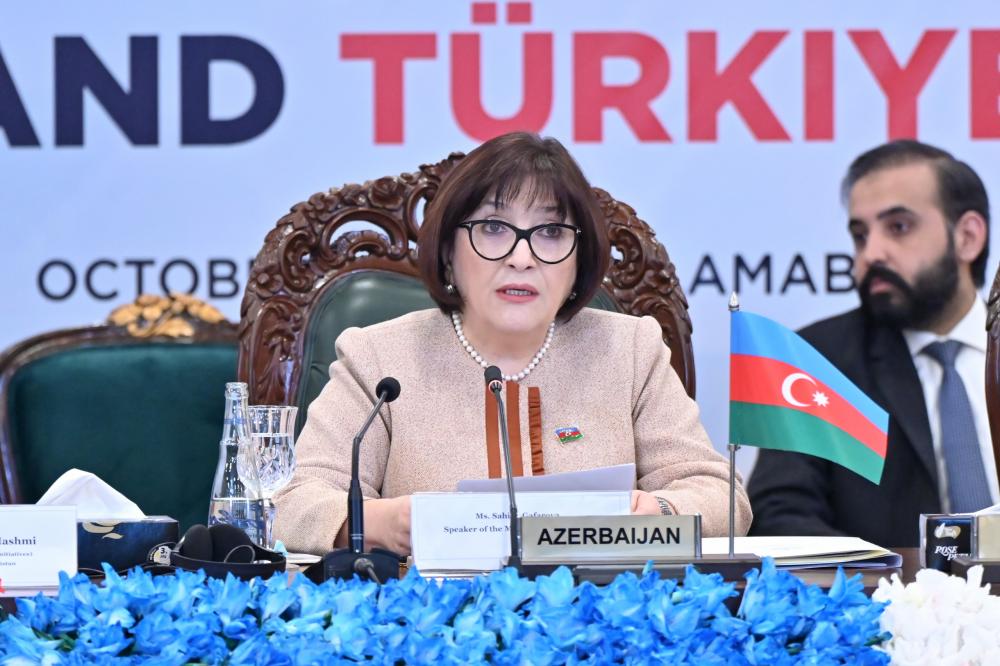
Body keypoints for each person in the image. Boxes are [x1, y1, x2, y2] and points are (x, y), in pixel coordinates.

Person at [274, 131, 752, 555]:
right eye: (493, 228)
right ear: (448, 250)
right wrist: (379, 524)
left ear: (579, 258)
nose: (522, 258)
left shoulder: (629, 350)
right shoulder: (379, 358)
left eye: (550, 232)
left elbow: (721, 497)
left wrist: (660, 512)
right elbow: (294, 505)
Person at [748, 140, 992, 547]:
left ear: (967, 237)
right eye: (860, 236)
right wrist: (888, 574)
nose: (871, 254)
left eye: (898, 227)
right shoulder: (815, 360)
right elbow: (779, 516)